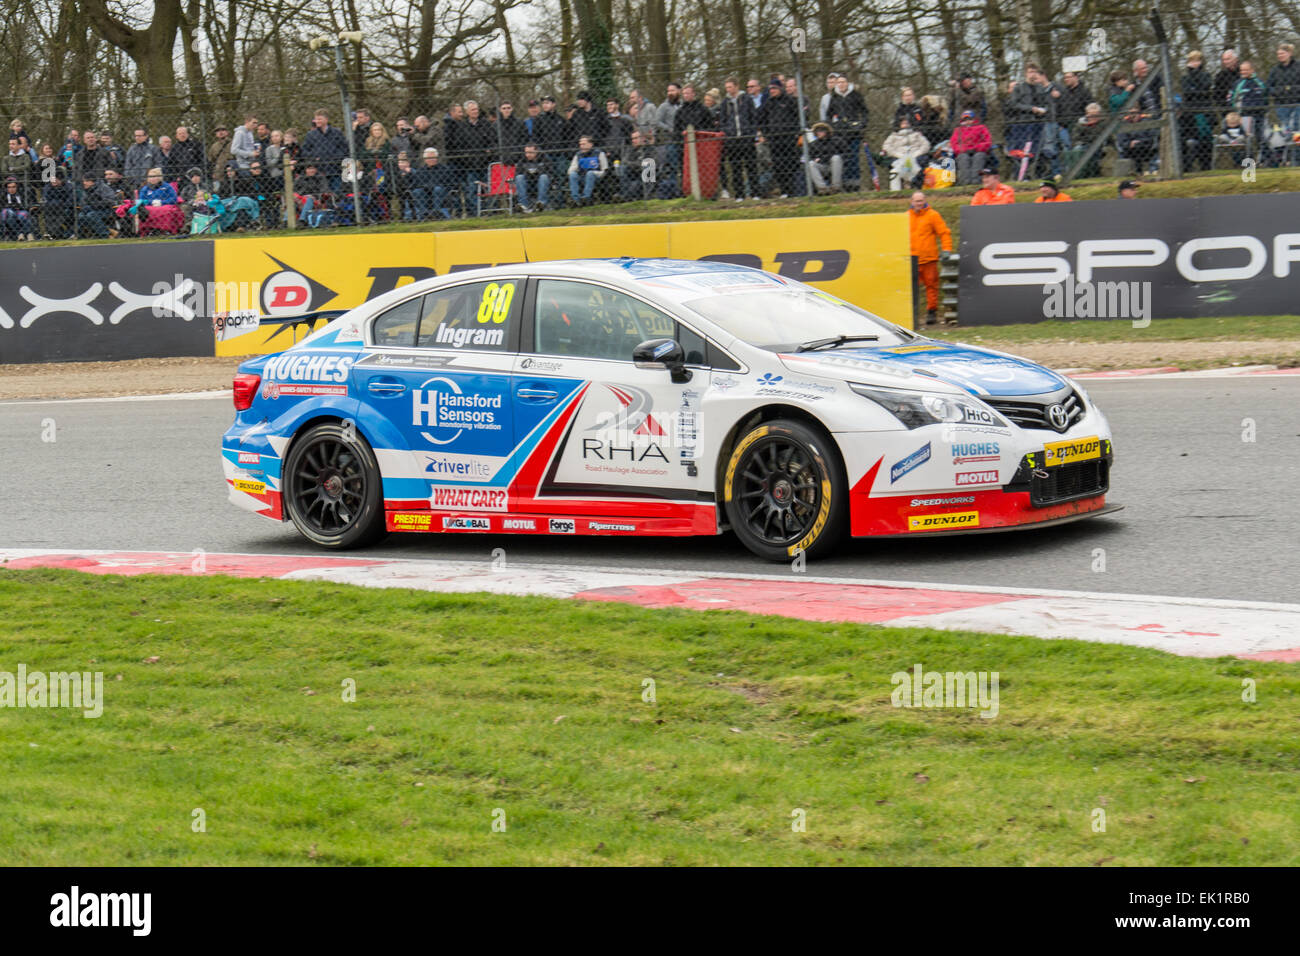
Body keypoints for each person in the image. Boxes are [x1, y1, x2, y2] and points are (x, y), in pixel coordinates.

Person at [908, 192, 952, 325]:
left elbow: (944, 233)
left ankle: (931, 312)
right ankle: (912, 314)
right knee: (910, 289)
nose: (919, 203)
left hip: (929, 259)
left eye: (921, 201)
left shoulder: (933, 215)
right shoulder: (906, 217)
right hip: (912, 259)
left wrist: (946, 249)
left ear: (925, 200)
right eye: (916, 201)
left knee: (931, 287)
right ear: (911, 201)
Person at [758, 78, 800, 196]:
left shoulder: (789, 101)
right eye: (770, 88)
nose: (772, 91)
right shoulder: (768, 103)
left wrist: (795, 132)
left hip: (788, 139)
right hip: (775, 140)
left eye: (774, 88)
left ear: (780, 88)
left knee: (790, 165)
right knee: (778, 166)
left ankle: (792, 191)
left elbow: (798, 117)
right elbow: (761, 119)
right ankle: (784, 191)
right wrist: (766, 134)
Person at [720, 76, 758, 200]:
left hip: (746, 137)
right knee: (735, 168)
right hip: (732, 140)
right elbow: (723, 121)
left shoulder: (747, 99)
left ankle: (755, 193)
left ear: (736, 86)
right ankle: (739, 194)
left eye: (730, 87)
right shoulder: (725, 103)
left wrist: (752, 133)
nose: (728, 90)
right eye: (726, 88)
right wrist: (727, 134)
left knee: (751, 166)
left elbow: (753, 117)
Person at [1181, 51, 1216, 171]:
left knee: (1206, 143)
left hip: (1205, 113)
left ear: (1201, 62)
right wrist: (1197, 90)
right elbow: (1187, 93)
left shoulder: (1206, 75)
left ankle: (1206, 168)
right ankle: (1188, 168)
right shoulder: (1185, 78)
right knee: (1191, 143)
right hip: (1191, 116)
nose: (1194, 63)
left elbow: (1206, 90)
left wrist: (1195, 89)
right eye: (1191, 61)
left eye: (1196, 60)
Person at [881, 117, 930, 190]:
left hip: (915, 155)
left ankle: (912, 183)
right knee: (896, 167)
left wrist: (917, 153)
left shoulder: (916, 134)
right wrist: (898, 155)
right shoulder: (894, 136)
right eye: (903, 123)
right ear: (899, 125)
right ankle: (903, 184)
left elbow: (926, 145)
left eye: (907, 123)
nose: (905, 125)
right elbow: (886, 147)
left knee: (918, 162)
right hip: (899, 157)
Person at [135, 166, 183, 234]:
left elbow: (173, 198)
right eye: (150, 176)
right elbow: (142, 200)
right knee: (143, 210)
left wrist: (162, 202)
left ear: (159, 177)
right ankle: (149, 230)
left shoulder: (167, 186)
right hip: (150, 207)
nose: (152, 179)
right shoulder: (145, 188)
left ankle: (166, 230)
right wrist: (152, 202)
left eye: (154, 176)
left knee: (168, 210)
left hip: (165, 205)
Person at [950, 109, 991, 184]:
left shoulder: (981, 127)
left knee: (978, 157)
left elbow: (987, 141)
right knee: (963, 158)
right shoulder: (958, 130)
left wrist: (978, 148)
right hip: (963, 151)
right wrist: (962, 149)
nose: (967, 121)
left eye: (970, 119)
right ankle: (965, 182)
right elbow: (954, 143)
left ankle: (976, 181)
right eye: (965, 119)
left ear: (974, 119)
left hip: (978, 150)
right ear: (962, 120)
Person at [1230, 61, 1268, 140]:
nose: (1243, 72)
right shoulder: (1238, 83)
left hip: (1259, 114)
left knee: (1261, 136)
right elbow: (1231, 99)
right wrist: (1236, 112)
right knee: (1245, 138)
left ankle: (1262, 151)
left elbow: (1266, 96)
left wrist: (1265, 110)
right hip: (1244, 115)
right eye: (1242, 70)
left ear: (1252, 70)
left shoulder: (1260, 82)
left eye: (1246, 70)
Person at [567, 135, 608, 205]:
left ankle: (585, 198)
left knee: (590, 174)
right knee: (573, 175)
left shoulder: (599, 153)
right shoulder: (578, 155)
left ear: (590, 144)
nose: (581, 146)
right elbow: (570, 170)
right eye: (580, 144)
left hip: (595, 178)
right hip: (582, 177)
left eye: (584, 144)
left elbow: (605, 170)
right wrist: (576, 167)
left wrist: (593, 173)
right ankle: (575, 200)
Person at [1269, 43, 1300, 133]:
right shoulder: (1275, 70)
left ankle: (1296, 146)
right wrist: (1278, 91)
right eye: (1278, 54)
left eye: (1282, 53)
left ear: (1289, 53)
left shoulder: (1298, 66)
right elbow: (1269, 86)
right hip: (1281, 103)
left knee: (1296, 127)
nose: (1280, 56)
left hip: (1297, 102)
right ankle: (1288, 144)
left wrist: (1291, 89)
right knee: (1286, 129)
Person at [74, 171, 117, 237]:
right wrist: (86, 206)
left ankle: (106, 234)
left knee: (91, 215)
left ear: (92, 181)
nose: (84, 183)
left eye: (86, 181)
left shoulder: (103, 187)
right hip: (91, 209)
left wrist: (96, 203)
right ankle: (83, 235)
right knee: (81, 215)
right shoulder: (86, 190)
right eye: (84, 181)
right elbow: (82, 203)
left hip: (106, 210)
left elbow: (111, 201)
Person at [512, 142, 551, 213]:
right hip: (527, 184)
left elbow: (550, 173)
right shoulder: (522, 160)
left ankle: (540, 204)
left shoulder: (544, 158)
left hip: (540, 183)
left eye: (530, 152)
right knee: (519, 177)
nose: (528, 155)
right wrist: (527, 173)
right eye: (526, 152)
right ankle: (524, 206)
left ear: (536, 151)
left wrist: (537, 172)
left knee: (544, 177)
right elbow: (517, 174)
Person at [806, 122, 843, 193]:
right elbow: (811, 156)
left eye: (821, 131)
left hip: (835, 166)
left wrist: (824, 157)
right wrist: (815, 159)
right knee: (811, 164)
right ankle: (822, 189)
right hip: (822, 166)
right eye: (817, 131)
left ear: (827, 131)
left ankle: (835, 188)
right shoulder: (814, 144)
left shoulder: (837, 140)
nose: (818, 133)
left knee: (836, 158)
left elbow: (845, 153)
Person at [1, 176, 34, 240]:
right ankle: (20, 233)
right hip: (8, 212)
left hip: (19, 211)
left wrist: (21, 207)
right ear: (6, 188)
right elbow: (2, 207)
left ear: (17, 187)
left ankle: (28, 233)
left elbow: (26, 206)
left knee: (24, 214)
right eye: (9, 187)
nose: (11, 189)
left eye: (13, 187)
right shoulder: (3, 195)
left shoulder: (21, 194)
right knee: (9, 213)